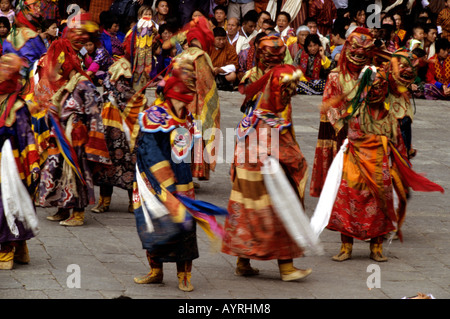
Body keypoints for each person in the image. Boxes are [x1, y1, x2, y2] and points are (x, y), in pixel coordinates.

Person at [321, 65, 444, 262]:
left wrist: (401, 160)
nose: (376, 91)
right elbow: (347, 130)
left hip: (380, 166)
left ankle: (376, 248)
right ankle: (346, 247)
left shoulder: (389, 115)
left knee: (380, 205)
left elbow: (398, 142)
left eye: (381, 87)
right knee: (349, 200)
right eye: (372, 87)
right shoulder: (356, 110)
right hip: (355, 163)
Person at [133, 58, 225, 292]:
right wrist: (165, 184)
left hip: (182, 181)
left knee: (185, 228)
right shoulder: (154, 117)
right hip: (155, 182)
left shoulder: (186, 118)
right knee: (154, 225)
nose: (185, 104)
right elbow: (148, 151)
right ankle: (156, 271)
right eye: (182, 97)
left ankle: (185, 275)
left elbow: (187, 150)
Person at [222, 64, 312, 281]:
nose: (290, 96)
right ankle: (287, 268)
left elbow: (238, 147)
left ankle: (243, 262)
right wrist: (300, 164)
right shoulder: (274, 123)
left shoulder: (252, 117)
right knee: (282, 218)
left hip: (246, 180)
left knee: (248, 219)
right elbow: (289, 155)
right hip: (270, 182)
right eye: (287, 91)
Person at [34, 13, 111, 226]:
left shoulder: (84, 84)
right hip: (60, 132)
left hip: (76, 136)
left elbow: (94, 112)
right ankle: (62, 207)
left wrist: (85, 135)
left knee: (76, 173)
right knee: (56, 169)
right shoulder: (64, 85)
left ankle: (77, 214)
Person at [309, 27, 374, 197]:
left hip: (366, 130)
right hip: (342, 133)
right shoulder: (334, 77)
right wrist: (346, 124)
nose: (359, 53)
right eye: (355, 49)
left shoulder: (372, 75)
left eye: (364, 50)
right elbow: (329, 107)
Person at [0, 53, 40, 270]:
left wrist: (34, 162)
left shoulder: (17, 105)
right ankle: (20, 247)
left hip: (10, 162)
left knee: (8, 200)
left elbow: (27, 136)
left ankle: (7, 251)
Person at [2, 0, 46, 70]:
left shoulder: (8, 38)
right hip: (31, 74)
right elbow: (44, 57)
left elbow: (4, 59)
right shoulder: (33, 37)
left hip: (13, 74)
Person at [210, 26, 239, 90]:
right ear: (213, 38)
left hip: (222, 73)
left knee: (232, 76)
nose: (222, 42)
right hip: (209, 72)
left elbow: (234, 65)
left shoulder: (229, 47)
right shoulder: (207, 46)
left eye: (223, 39)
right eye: (219, 39)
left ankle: (221, 84)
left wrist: (219, 70)